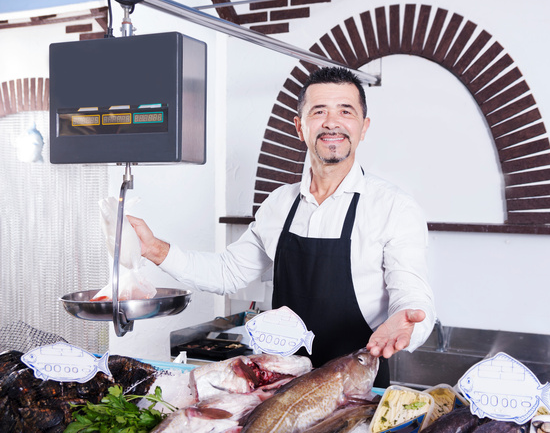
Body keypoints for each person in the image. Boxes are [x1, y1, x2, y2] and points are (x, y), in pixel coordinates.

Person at [128, 67, 436, 388]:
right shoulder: (278, 204)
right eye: (319, 112)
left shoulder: (393, 207)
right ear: (299, 128)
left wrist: (406, 323)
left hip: (354, 389)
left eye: (346, 111)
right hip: (279, 384)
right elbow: (228, 272)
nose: (332, 122)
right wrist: (156, 250)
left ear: (363, 127)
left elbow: (412, 297)